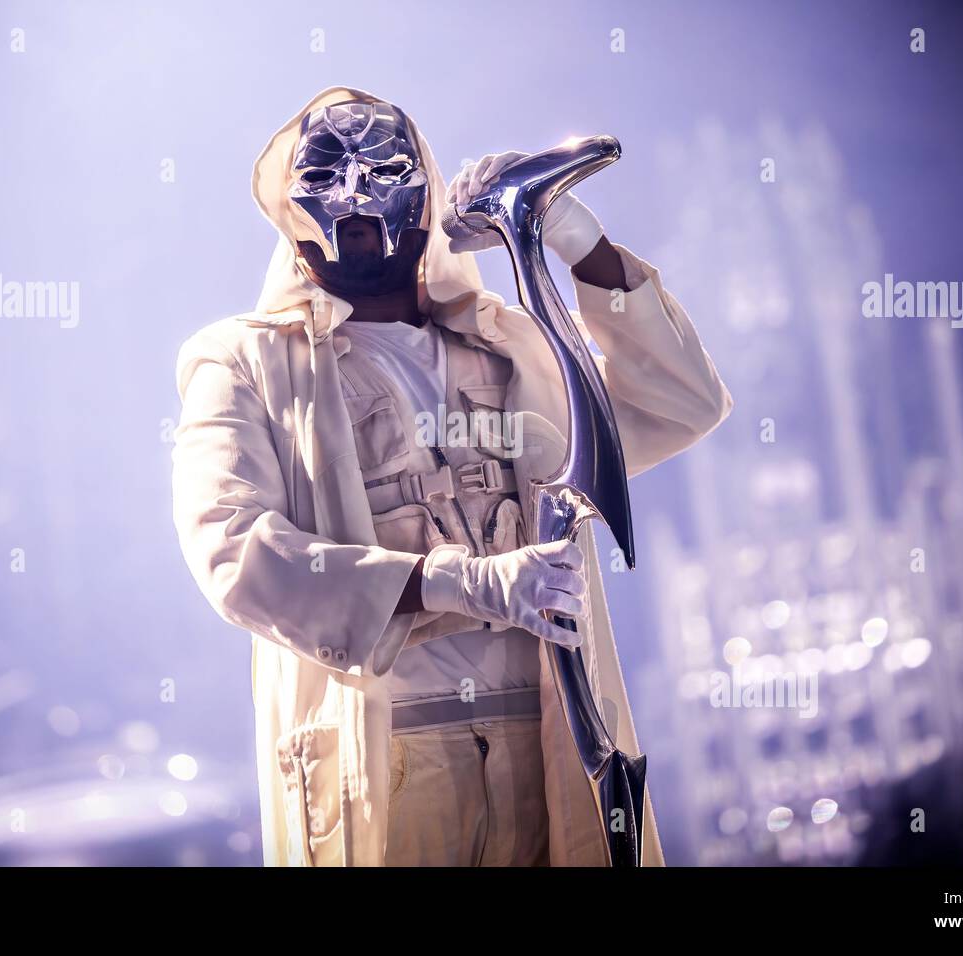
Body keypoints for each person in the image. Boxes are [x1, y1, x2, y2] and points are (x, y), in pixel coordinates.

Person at [171, 86, 732, 866]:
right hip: (389, 756)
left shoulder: (515, 346)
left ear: (425, 195)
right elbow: (234, 553)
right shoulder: (245, 364)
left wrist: (570, 237)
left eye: (381, 172)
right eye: (327, 175)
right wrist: (458, 584)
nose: (356, 196)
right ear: (289, 215)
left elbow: (683, 403)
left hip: (553, 738)